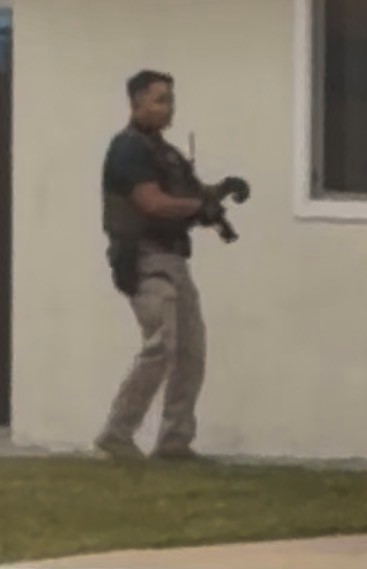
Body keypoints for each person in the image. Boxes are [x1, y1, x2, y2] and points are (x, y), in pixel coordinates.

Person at [95, 70, 247, 460]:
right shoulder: (128, 149)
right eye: (159, 99)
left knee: (190, 350)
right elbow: (153, 202)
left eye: (170, 100)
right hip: (143, 257)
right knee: (164, 343)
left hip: (173, 257)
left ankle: (175, 442)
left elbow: (190, 194)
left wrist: (220, 192)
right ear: (136, 103)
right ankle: (117, 432)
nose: (168, 108)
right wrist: (199, 207)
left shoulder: (165, 153)